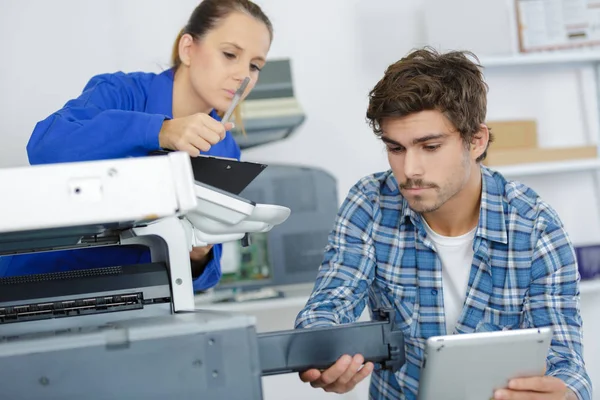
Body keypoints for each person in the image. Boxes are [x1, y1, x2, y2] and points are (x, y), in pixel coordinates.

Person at [294, 47, 592, 400]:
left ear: (476, 141)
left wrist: (567, 395)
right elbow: (329, 304)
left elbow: (565, 361)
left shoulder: (535, 226)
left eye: (430, 147)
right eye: (396, 148)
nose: (409, 170)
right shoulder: (371, 202)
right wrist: (323, 353)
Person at [0, 0, 273, 292]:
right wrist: (160, 130)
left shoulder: (225, 150)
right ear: (188, 49)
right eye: (230, 54)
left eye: (255, 66)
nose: (244, 76)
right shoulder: (119, 93)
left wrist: (198, 254)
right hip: (35, 288)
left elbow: (202, 277)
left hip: (135, 301)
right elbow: (45, 148)